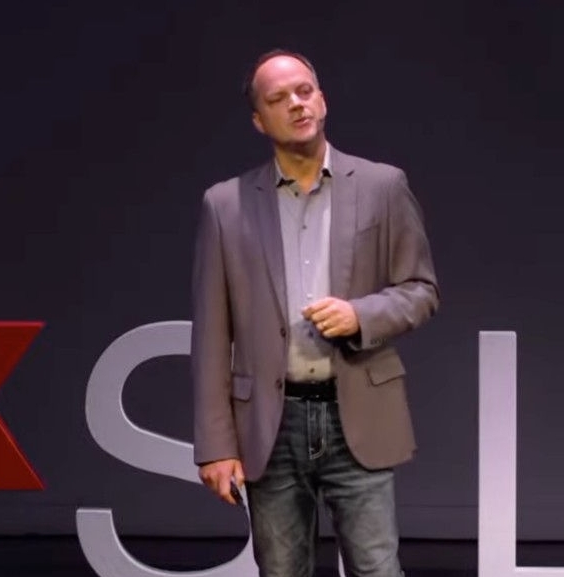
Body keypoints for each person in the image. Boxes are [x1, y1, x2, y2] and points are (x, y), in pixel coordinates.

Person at [191, 48, 439, 577]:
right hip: (270, 424)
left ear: (322, 100)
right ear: (260, 120)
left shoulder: (381, 186)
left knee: (377, 569)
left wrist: (361, 315)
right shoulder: (226, 204)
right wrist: (215, 446)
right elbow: (212, 337)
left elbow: (420, 289)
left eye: (304, 91)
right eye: (279, 98)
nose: (297, 104)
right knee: (281, 571)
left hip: (356, 412)